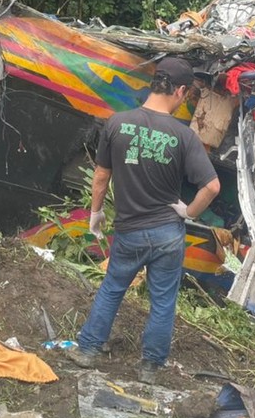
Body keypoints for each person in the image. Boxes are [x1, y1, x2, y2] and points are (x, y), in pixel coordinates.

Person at [69, 57, 221, 384]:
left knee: (111, 288)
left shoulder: (116, 123)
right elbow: (212, 187)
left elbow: (100, 177)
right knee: (163, 301)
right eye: (187, 94)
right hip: (167, 233)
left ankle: (87, 351)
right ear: (179, 91)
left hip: (130, 232)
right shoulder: (184, 136)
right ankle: (150, 368)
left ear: (156, 83)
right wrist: (189, 212)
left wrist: (95, 214)